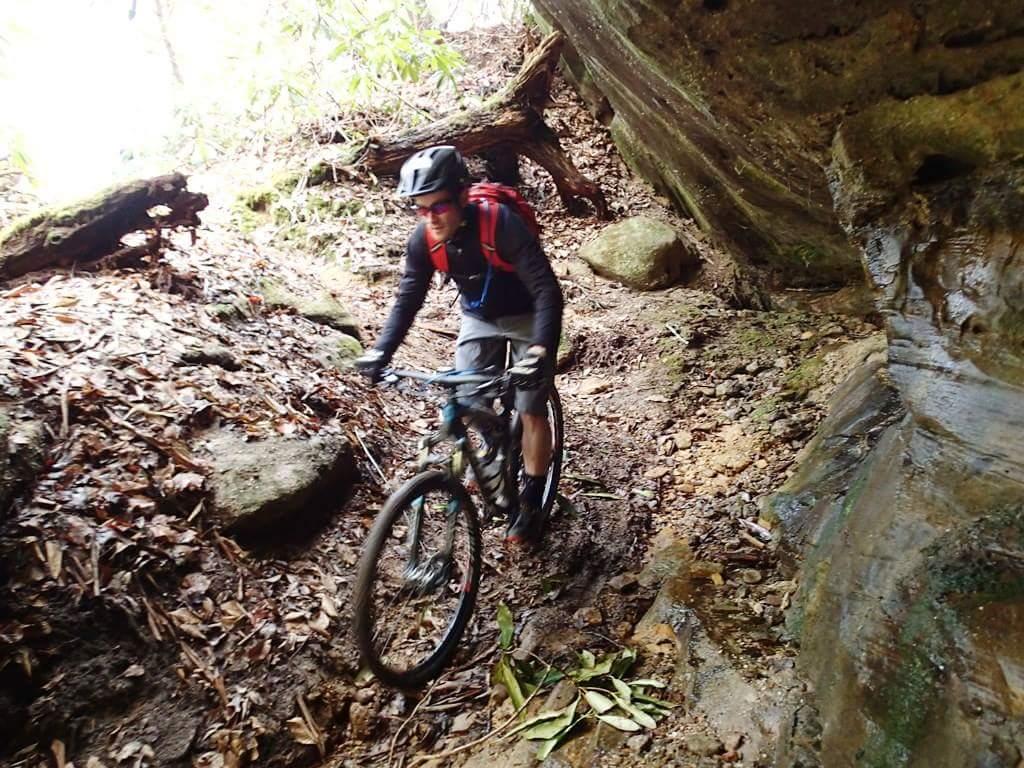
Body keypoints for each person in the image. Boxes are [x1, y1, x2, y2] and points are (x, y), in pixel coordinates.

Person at [354, 145, 563, 544]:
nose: (431, 218)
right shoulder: (425, 239)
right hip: (479, 318)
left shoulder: (499, 223)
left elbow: (546, 289)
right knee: (467, 402)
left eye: (440, 206)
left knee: (530, 408)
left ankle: (533, 499)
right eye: (421, 208)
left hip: (527, 317)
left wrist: (540, 349)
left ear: (464, 197)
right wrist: (382, 350)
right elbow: (409, 296)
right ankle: (495, 452)